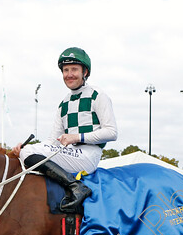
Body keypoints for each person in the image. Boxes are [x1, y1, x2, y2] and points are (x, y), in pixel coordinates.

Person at [12, 47, 118, 213]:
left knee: (30, 152)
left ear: (85, 72)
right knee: (26, 153)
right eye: (65, 70)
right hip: (69, 155)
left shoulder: (98, 95)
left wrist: (76, 137)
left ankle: (77, 187)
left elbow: (111, 132)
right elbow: (52, 141)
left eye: (74, 69)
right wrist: (24, 148)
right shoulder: (63, 104)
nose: (69, 74)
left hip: (87, 157)